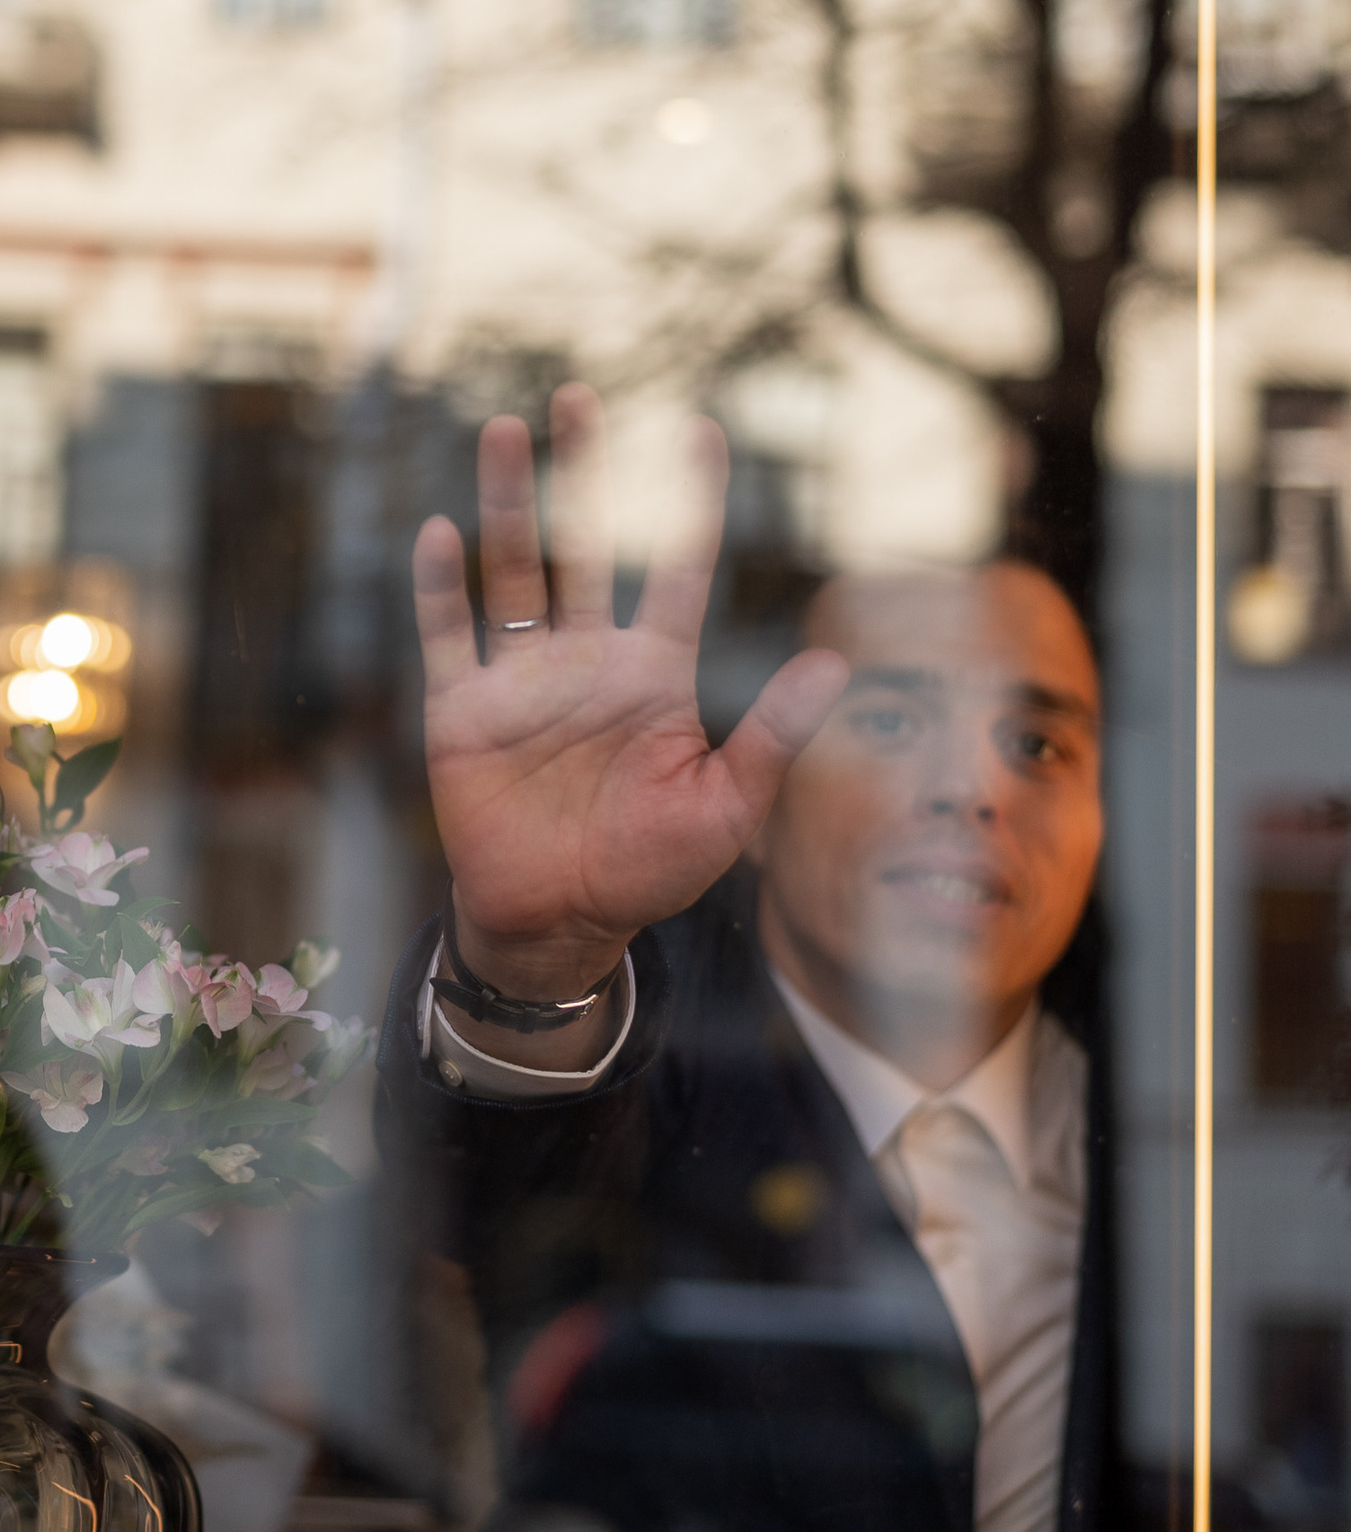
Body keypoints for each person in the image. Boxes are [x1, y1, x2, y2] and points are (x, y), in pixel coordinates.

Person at [375, 385, 1116, 1532]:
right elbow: (501, 1183)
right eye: (885, 720)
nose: (973, 789)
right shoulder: (676, 1110)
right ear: (762, 805)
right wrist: (539, 959)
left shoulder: (1163, 1148)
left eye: (1034, 741)